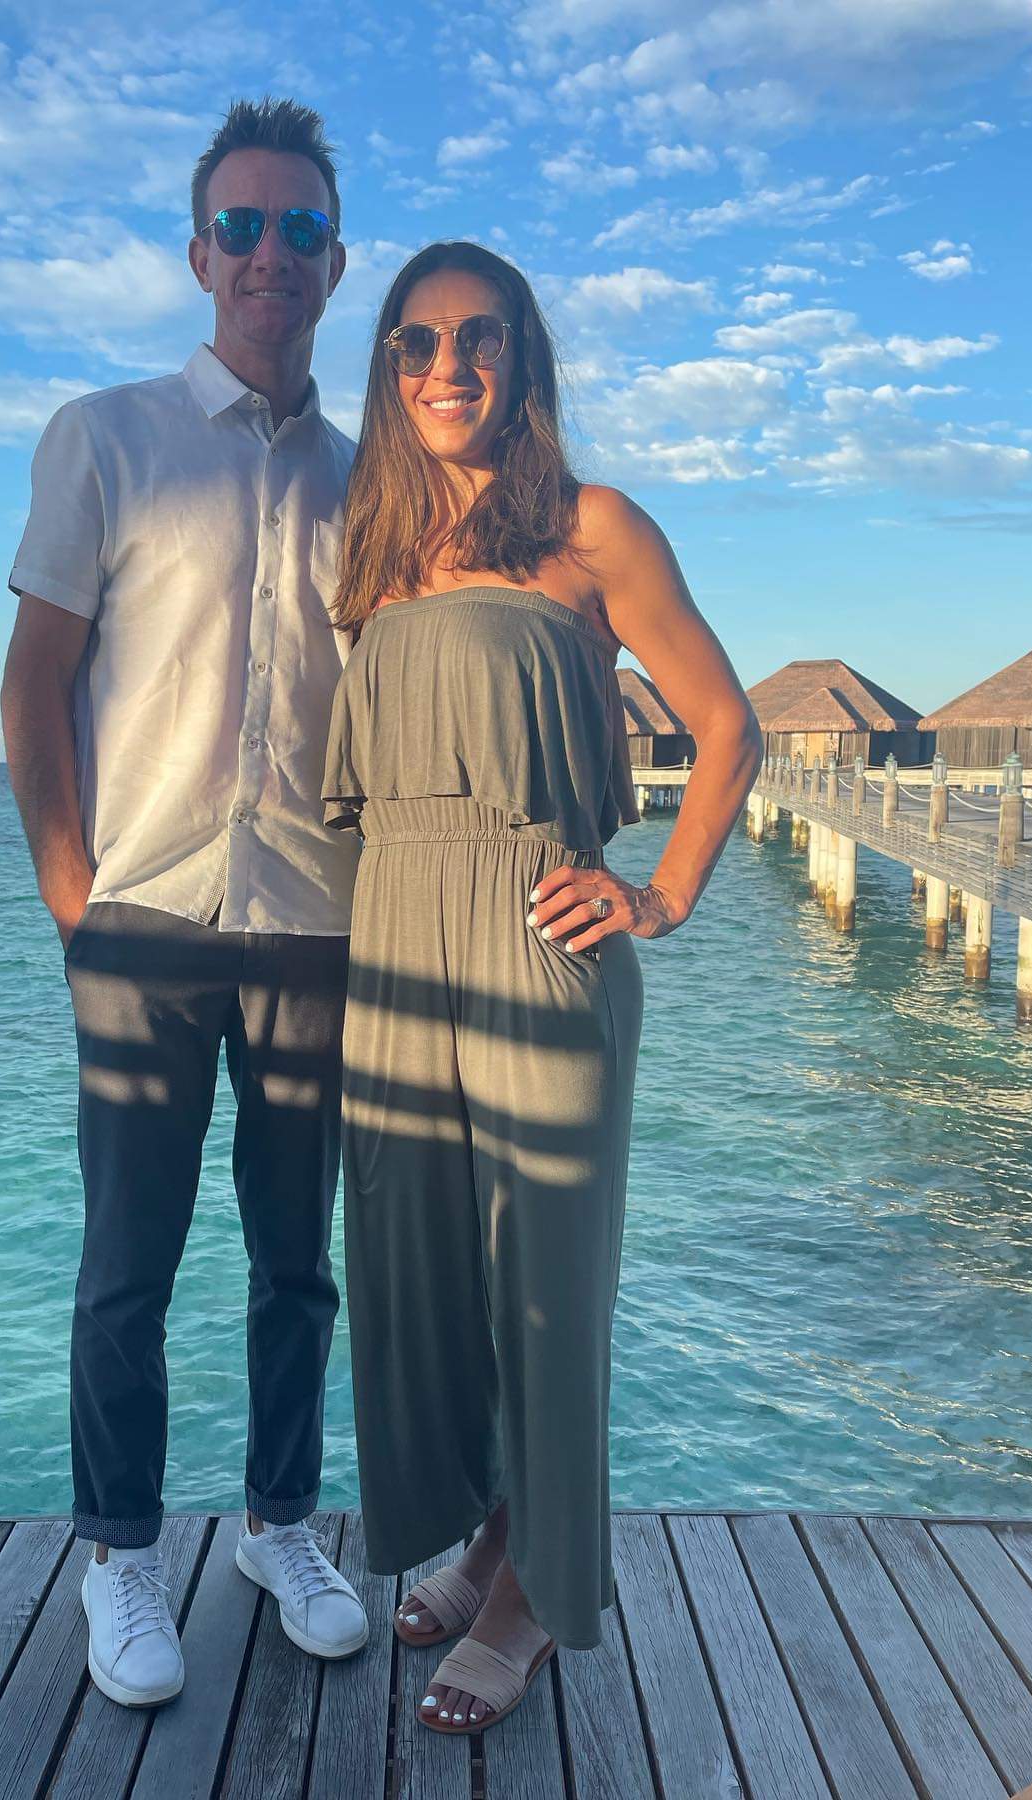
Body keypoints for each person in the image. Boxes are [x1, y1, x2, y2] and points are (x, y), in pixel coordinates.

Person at [321, 241, 763, 1734]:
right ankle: (492, 1528)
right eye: (418, 340)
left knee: (547, 1290)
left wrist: (661, 894)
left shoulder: (591, 528)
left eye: (481, 336)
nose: (449, 364)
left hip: (536, 932)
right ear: (389, 367)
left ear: (524, 360)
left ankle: (532, 1591)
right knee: (422, 1269)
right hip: (394, 944)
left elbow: (728, 726)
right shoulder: (371, 551)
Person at [0, 96, 368, 1710]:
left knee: (298, 1264)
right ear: (200, 252)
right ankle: (120, 1556)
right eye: (243, 225)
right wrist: (70, 895)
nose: (270, 253)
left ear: (336, 263)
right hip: (142, 918)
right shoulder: (106, 436)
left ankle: (282, 1528)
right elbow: (34, 681)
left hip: (315, 922)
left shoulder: (373, 486)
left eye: (301, 228)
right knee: (126, 1269)